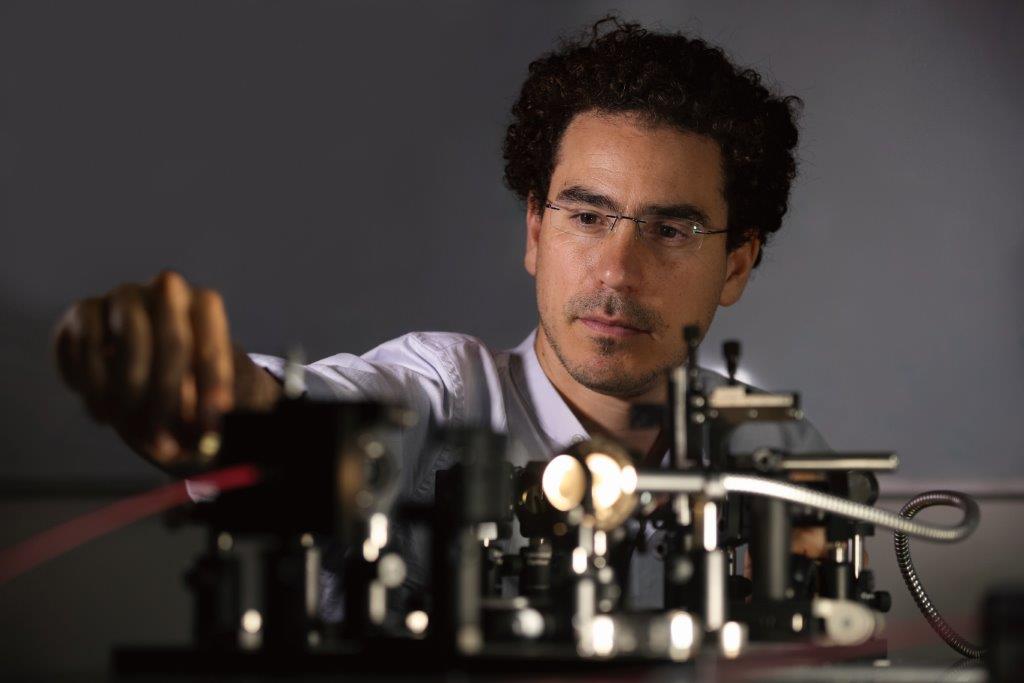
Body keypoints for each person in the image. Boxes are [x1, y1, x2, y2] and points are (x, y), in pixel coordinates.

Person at [53, 17, 828, 615]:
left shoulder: (773, 451)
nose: (617, 272)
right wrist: (219, 408)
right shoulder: (444, 391)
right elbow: (321, 420)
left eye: (669, 229)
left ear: (736, 263)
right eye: (586, 217)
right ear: (534, 230)